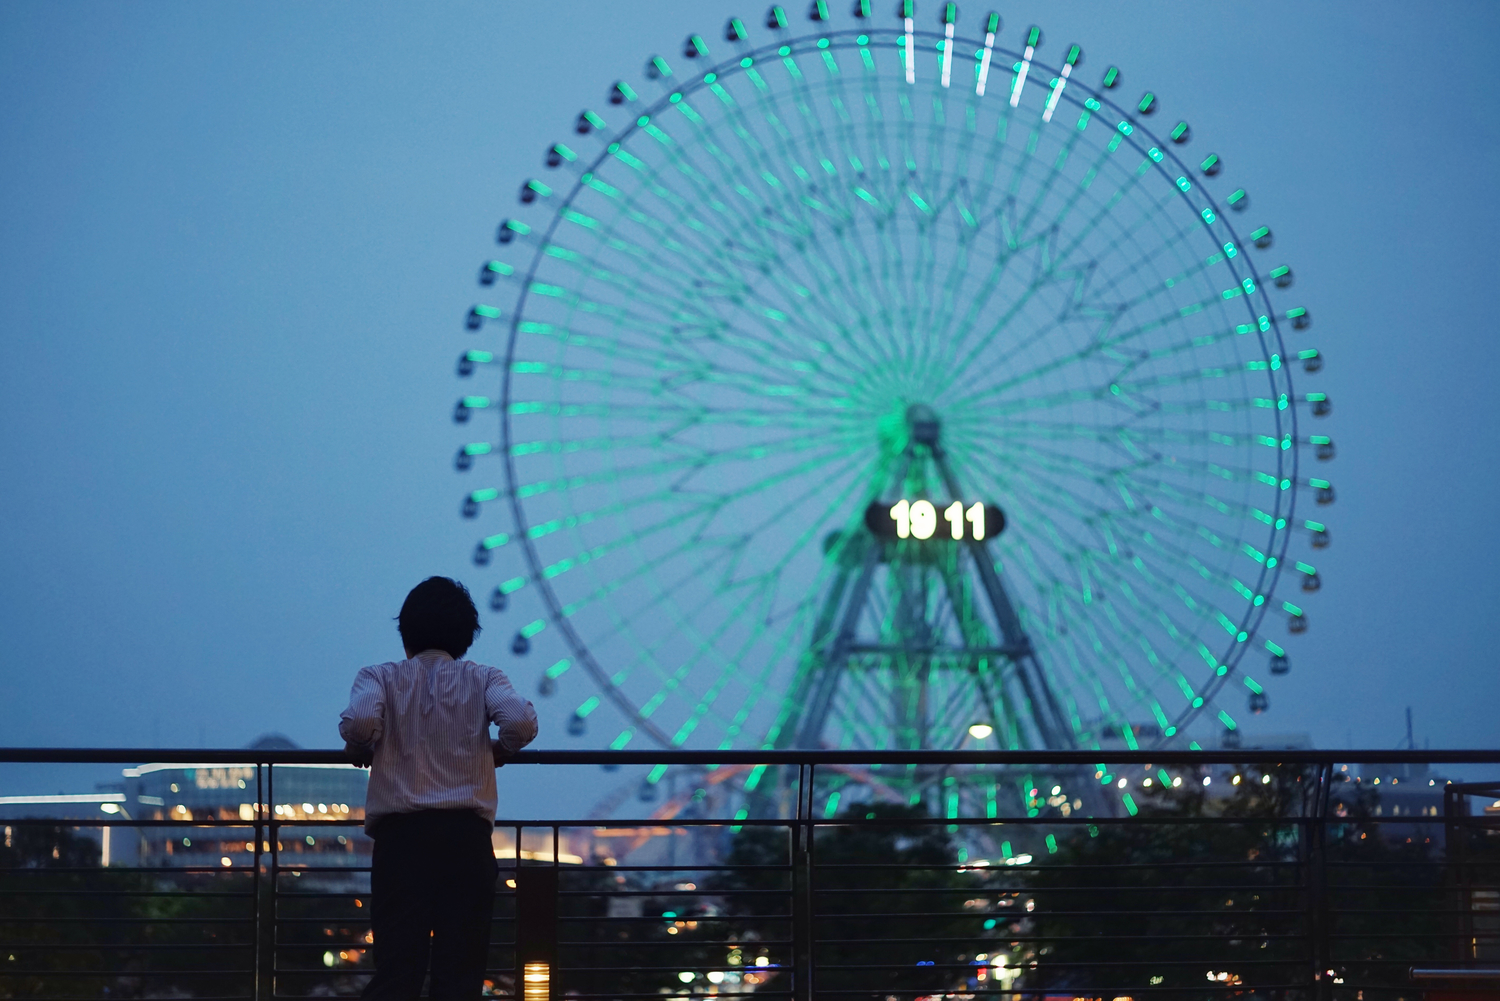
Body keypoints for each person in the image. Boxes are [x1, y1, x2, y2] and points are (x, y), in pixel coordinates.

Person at [339, 576, 538, 1000]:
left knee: (397, 969)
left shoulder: (379, 676)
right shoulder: (484, 678)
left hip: (401, 840)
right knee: (460, 974)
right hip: (466, 839)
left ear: (405, 632)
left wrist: (360, 744)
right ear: (466, 636)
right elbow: (519, 722)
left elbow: (358, 721)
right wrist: (499, 749)